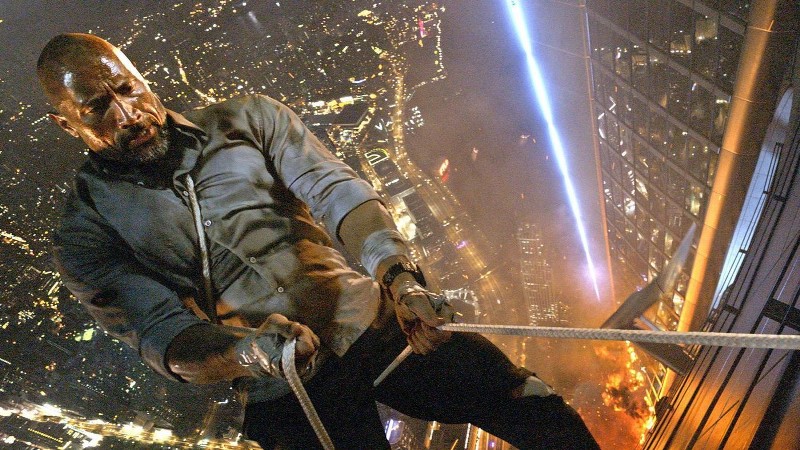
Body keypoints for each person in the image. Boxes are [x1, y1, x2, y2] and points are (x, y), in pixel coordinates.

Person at [39, 33, 600, 449]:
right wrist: (247, 352)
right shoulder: (85, 232)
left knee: (535, 409)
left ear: (141, 78)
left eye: (128, 89)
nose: (128, 114)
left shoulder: (247, 120)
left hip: (371, 321)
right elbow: (163, 337)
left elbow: (334, 190)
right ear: (67, 125)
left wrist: (399, 278)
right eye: (98, 107)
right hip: (278, 383)